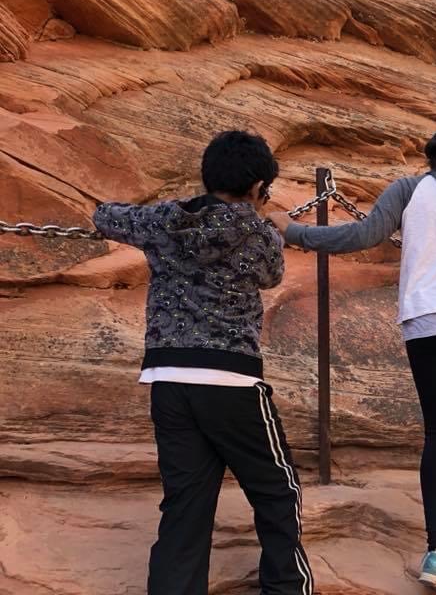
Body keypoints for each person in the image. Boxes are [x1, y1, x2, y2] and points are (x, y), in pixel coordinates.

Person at [268, 126, 436, 591]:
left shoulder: (408, 189)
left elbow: (364, 235)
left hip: (425, 320)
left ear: (432, 159)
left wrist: (294, 231)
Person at [93, 131, 313, 595]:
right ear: (257, 187)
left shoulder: (165, 219)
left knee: (186, 502)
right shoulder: (254, 230)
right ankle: (286, 588)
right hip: (230, 377)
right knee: (277, 490)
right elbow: (272, 275)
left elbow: (106, 216)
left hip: (168, 376)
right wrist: (270, 222)